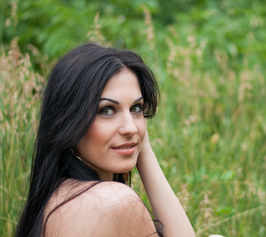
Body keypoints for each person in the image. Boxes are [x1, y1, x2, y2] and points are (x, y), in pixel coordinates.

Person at [16, 43, 196, 237]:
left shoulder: (58, 198)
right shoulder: (112, 202)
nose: (130, 127)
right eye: (107, 110)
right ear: (69, 120)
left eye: (136, 108)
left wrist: (144, 150)